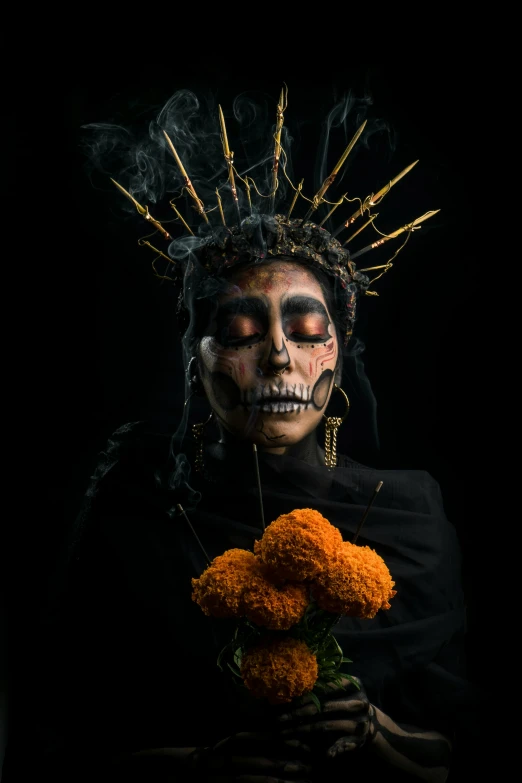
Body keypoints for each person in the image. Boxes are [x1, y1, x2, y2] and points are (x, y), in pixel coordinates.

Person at [34, 84, 480, 782]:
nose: (278, 354)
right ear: (200, 359)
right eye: (242, 332)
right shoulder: (139, 510)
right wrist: (207, 764)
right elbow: (55, 753)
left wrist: (373, 730)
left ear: (333, 353)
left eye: (305, 332)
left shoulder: (412, 514)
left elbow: (456, 758)